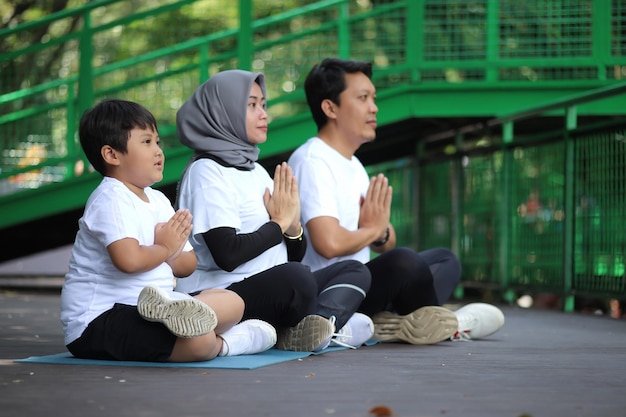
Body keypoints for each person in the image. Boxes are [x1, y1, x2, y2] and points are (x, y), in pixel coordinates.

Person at [288, 57, 505, 343]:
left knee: (445, 258)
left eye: (373, 98)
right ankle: (450, 324)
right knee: (404, 262)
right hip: (335, 291)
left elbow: (385, 241)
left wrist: (380, 231)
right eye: (363, 98)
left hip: (365, 283)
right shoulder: (312, 161)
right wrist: (372, 231)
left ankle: (396, 323)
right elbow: (328, 245)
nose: (374, 107)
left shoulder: (353, 164)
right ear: (330, 108)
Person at [60, 99, 277, 363]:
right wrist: (164, 248)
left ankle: (175, 314)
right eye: (146, 142)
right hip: (99, 320)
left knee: (233, 301)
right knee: (200, 341)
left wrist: (171, 251)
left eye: (158, 142)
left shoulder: (158, 200)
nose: (158, 151)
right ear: (112, 155)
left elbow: (187, 264)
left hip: (158, 308)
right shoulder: (110, 198)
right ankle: (230, 342)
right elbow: (128, 260)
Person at [174, 69, 374, 352]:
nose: (264, 114)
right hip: (226, 292)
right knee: (297, 278)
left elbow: (291, 253)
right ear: (224, 111)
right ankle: (317, 327)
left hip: (275, 286)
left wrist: (293, 230)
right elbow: (227, 254)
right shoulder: (207, 171)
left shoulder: (255, 170)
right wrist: (279, 224)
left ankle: (315, 325)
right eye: (252, 105)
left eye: (264, 105)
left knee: (354, 270)